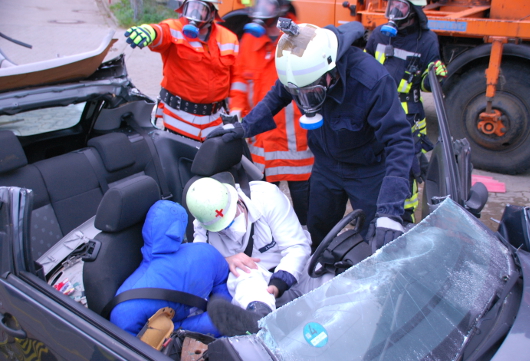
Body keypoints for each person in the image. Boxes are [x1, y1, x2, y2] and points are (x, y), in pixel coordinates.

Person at [208, 20, 414, 253]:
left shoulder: (371, 81)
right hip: (326, 166)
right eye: (298, 94)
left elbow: (400, 142)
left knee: (377, 237)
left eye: (311, 92)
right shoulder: (299, 70)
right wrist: (244, 128)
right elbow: (275, 98)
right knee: (320, 232)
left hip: (367, 169)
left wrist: (390, 210)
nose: (304, 100)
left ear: (330, 71)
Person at [185, 176, 313, 335]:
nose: (230, 228)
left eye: (232, 218)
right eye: (222, 227)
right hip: (256, 289)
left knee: (328, 280)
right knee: (243, 273)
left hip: (296, 273)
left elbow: (297, 247)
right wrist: (225, 261)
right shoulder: (202, 226)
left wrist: (280, 281)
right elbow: (200, 266)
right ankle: (258, 320)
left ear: (237, 199)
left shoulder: (267, 196)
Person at [228, 0, 313, 226]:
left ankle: (312, 251)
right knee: (263, 215)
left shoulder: (301, 39)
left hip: (298, 147)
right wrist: (236, 106)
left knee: (307, 216)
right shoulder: (251, 40)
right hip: (262, 148)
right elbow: (240, 78)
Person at [364, 0, 447, 224]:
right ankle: (371, 214)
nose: (393, 12)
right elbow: (365, 66)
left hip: (407, 119)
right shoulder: (379, 35)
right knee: (371, 165)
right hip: (374, 113)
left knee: (406, 168)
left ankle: (403, 217)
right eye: (391, 4)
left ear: (413, 11)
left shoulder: (427, 40)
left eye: (400, 6)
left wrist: (435, 76)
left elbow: (428, 87)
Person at [110, 200, 232, 337]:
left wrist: (176, 331)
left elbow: (132, 349)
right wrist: (218, 317)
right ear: (179, 231)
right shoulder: (207, 252)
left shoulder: (126, 306)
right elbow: (223, 282)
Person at [124, 0, 239, 141]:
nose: (194, 13)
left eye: (200, 8)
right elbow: (161, 32)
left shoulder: (229, 38)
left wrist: (237, 111)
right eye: (191, 7)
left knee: (210, 161)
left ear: (212, 12)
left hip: (214, 122)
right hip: (179, 119)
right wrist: (151, 31)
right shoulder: (174, 29)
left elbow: (237, 79)